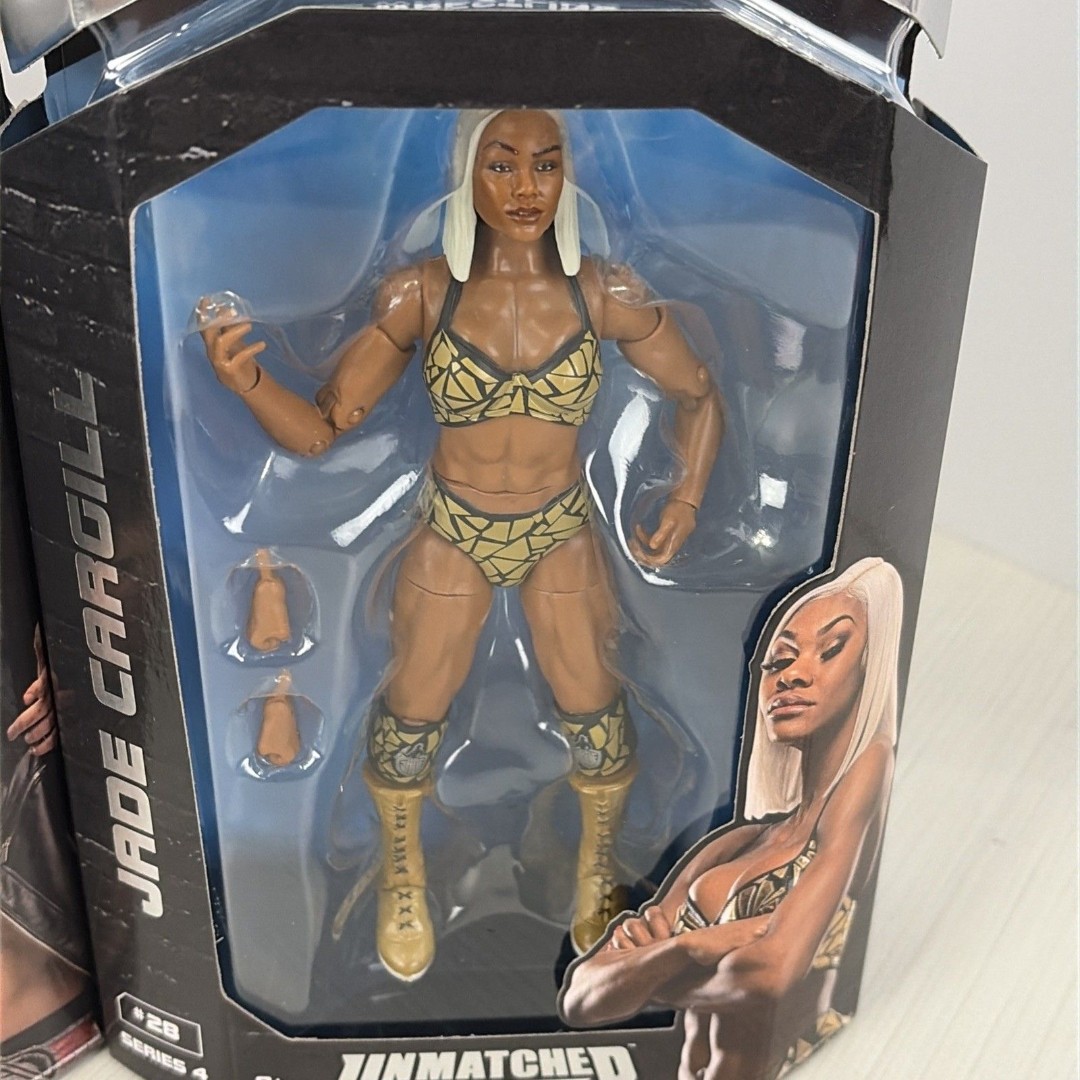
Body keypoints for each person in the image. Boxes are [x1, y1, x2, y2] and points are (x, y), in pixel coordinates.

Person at [198, 109, 725, 982]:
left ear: (567, 176)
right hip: (454, 527)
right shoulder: (420, 295)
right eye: (502, 165)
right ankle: (402, 870)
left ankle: (599, 866)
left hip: (558, 526)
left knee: (593, 703)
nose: (525, 187)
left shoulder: (604, 294)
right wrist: (249, 380)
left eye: (545, 165)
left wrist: (689, 499)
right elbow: (325, 428)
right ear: (467, 175)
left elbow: (699, 391)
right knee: (413, 704)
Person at [559, 558, 902, 1080]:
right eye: (779, 659)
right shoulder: (736, 843)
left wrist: (654, 972)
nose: (793, 674)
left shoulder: (870, 768)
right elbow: (583, 998)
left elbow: (768, 972)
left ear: (869, 668)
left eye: (831, 649)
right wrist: (693, 945)